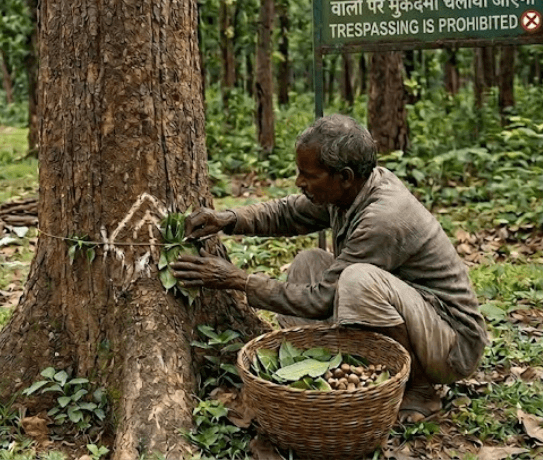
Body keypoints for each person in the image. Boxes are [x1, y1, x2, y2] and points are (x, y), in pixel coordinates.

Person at [171, 114, 488, 424]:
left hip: (451, 343)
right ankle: (338, 370)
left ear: (345, 176)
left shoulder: (383, 217)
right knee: (308, 263)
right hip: (418, 319)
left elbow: (321, 300)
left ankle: (420, 389)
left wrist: (238, 280)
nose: (300, 182)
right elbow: (288, 213)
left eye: (308, 175)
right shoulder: (351, 192)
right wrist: (228, 218)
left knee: (358, 280)